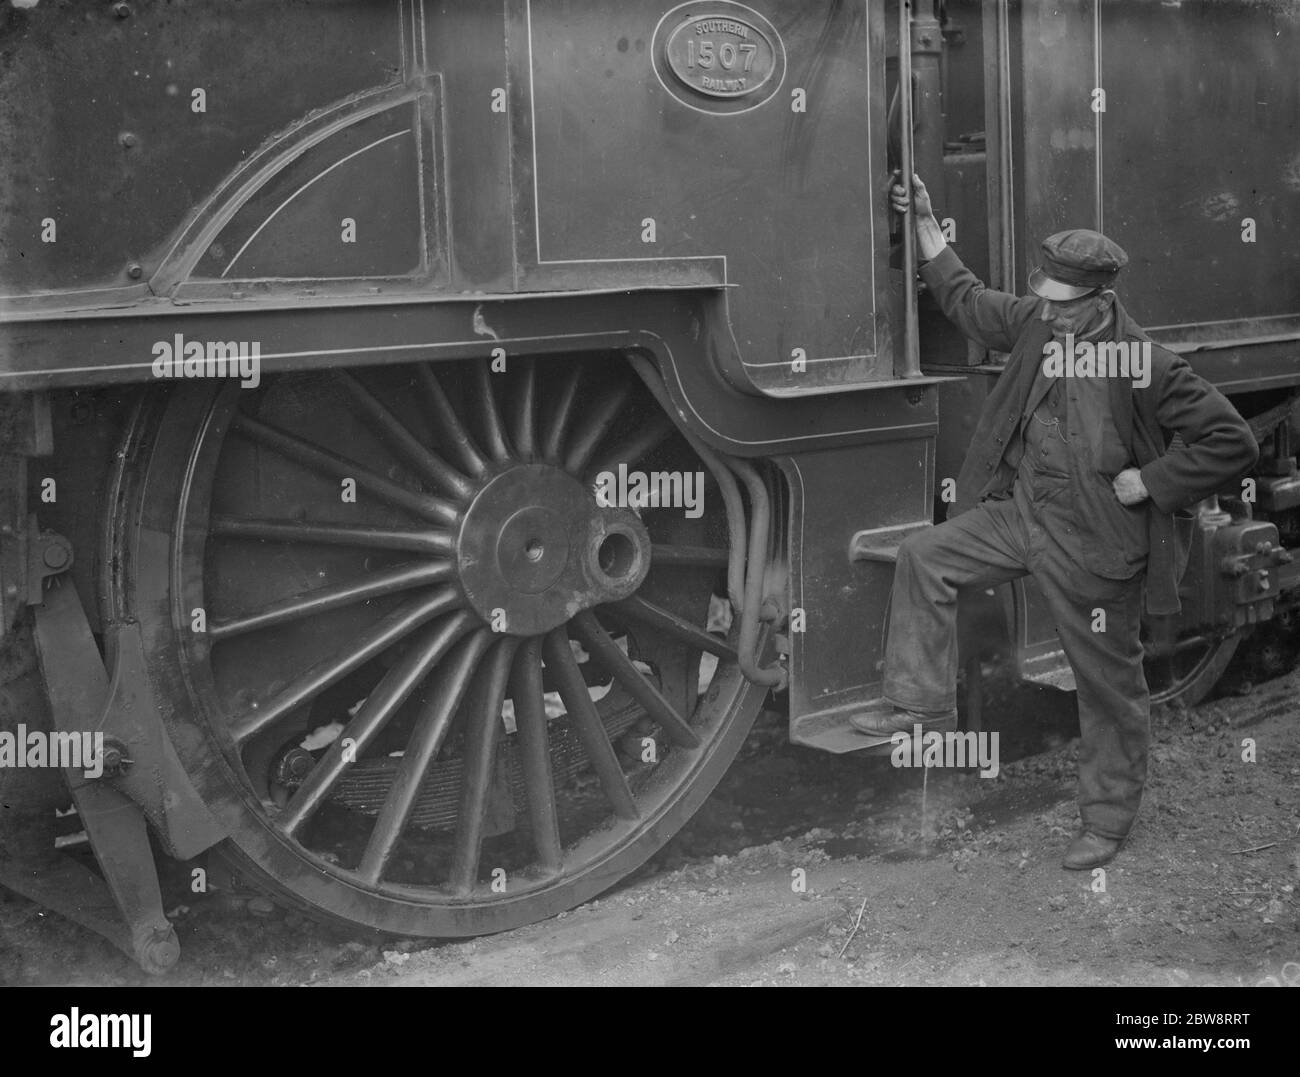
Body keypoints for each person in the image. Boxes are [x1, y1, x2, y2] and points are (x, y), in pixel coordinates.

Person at [853, 173, 1259, 870]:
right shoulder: (1040, 321)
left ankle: (1105, 821)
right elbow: (969, 300)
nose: (1052, 316)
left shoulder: (1149, 365)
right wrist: (925, 224)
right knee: (927, 556)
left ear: (1102, 301)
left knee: (1107, 687)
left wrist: (1152, 480)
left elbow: (1232, 442)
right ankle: (920, 706)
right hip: (1023, 514)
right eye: (1046, 300)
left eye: (1066, 307)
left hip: (1097, 540)